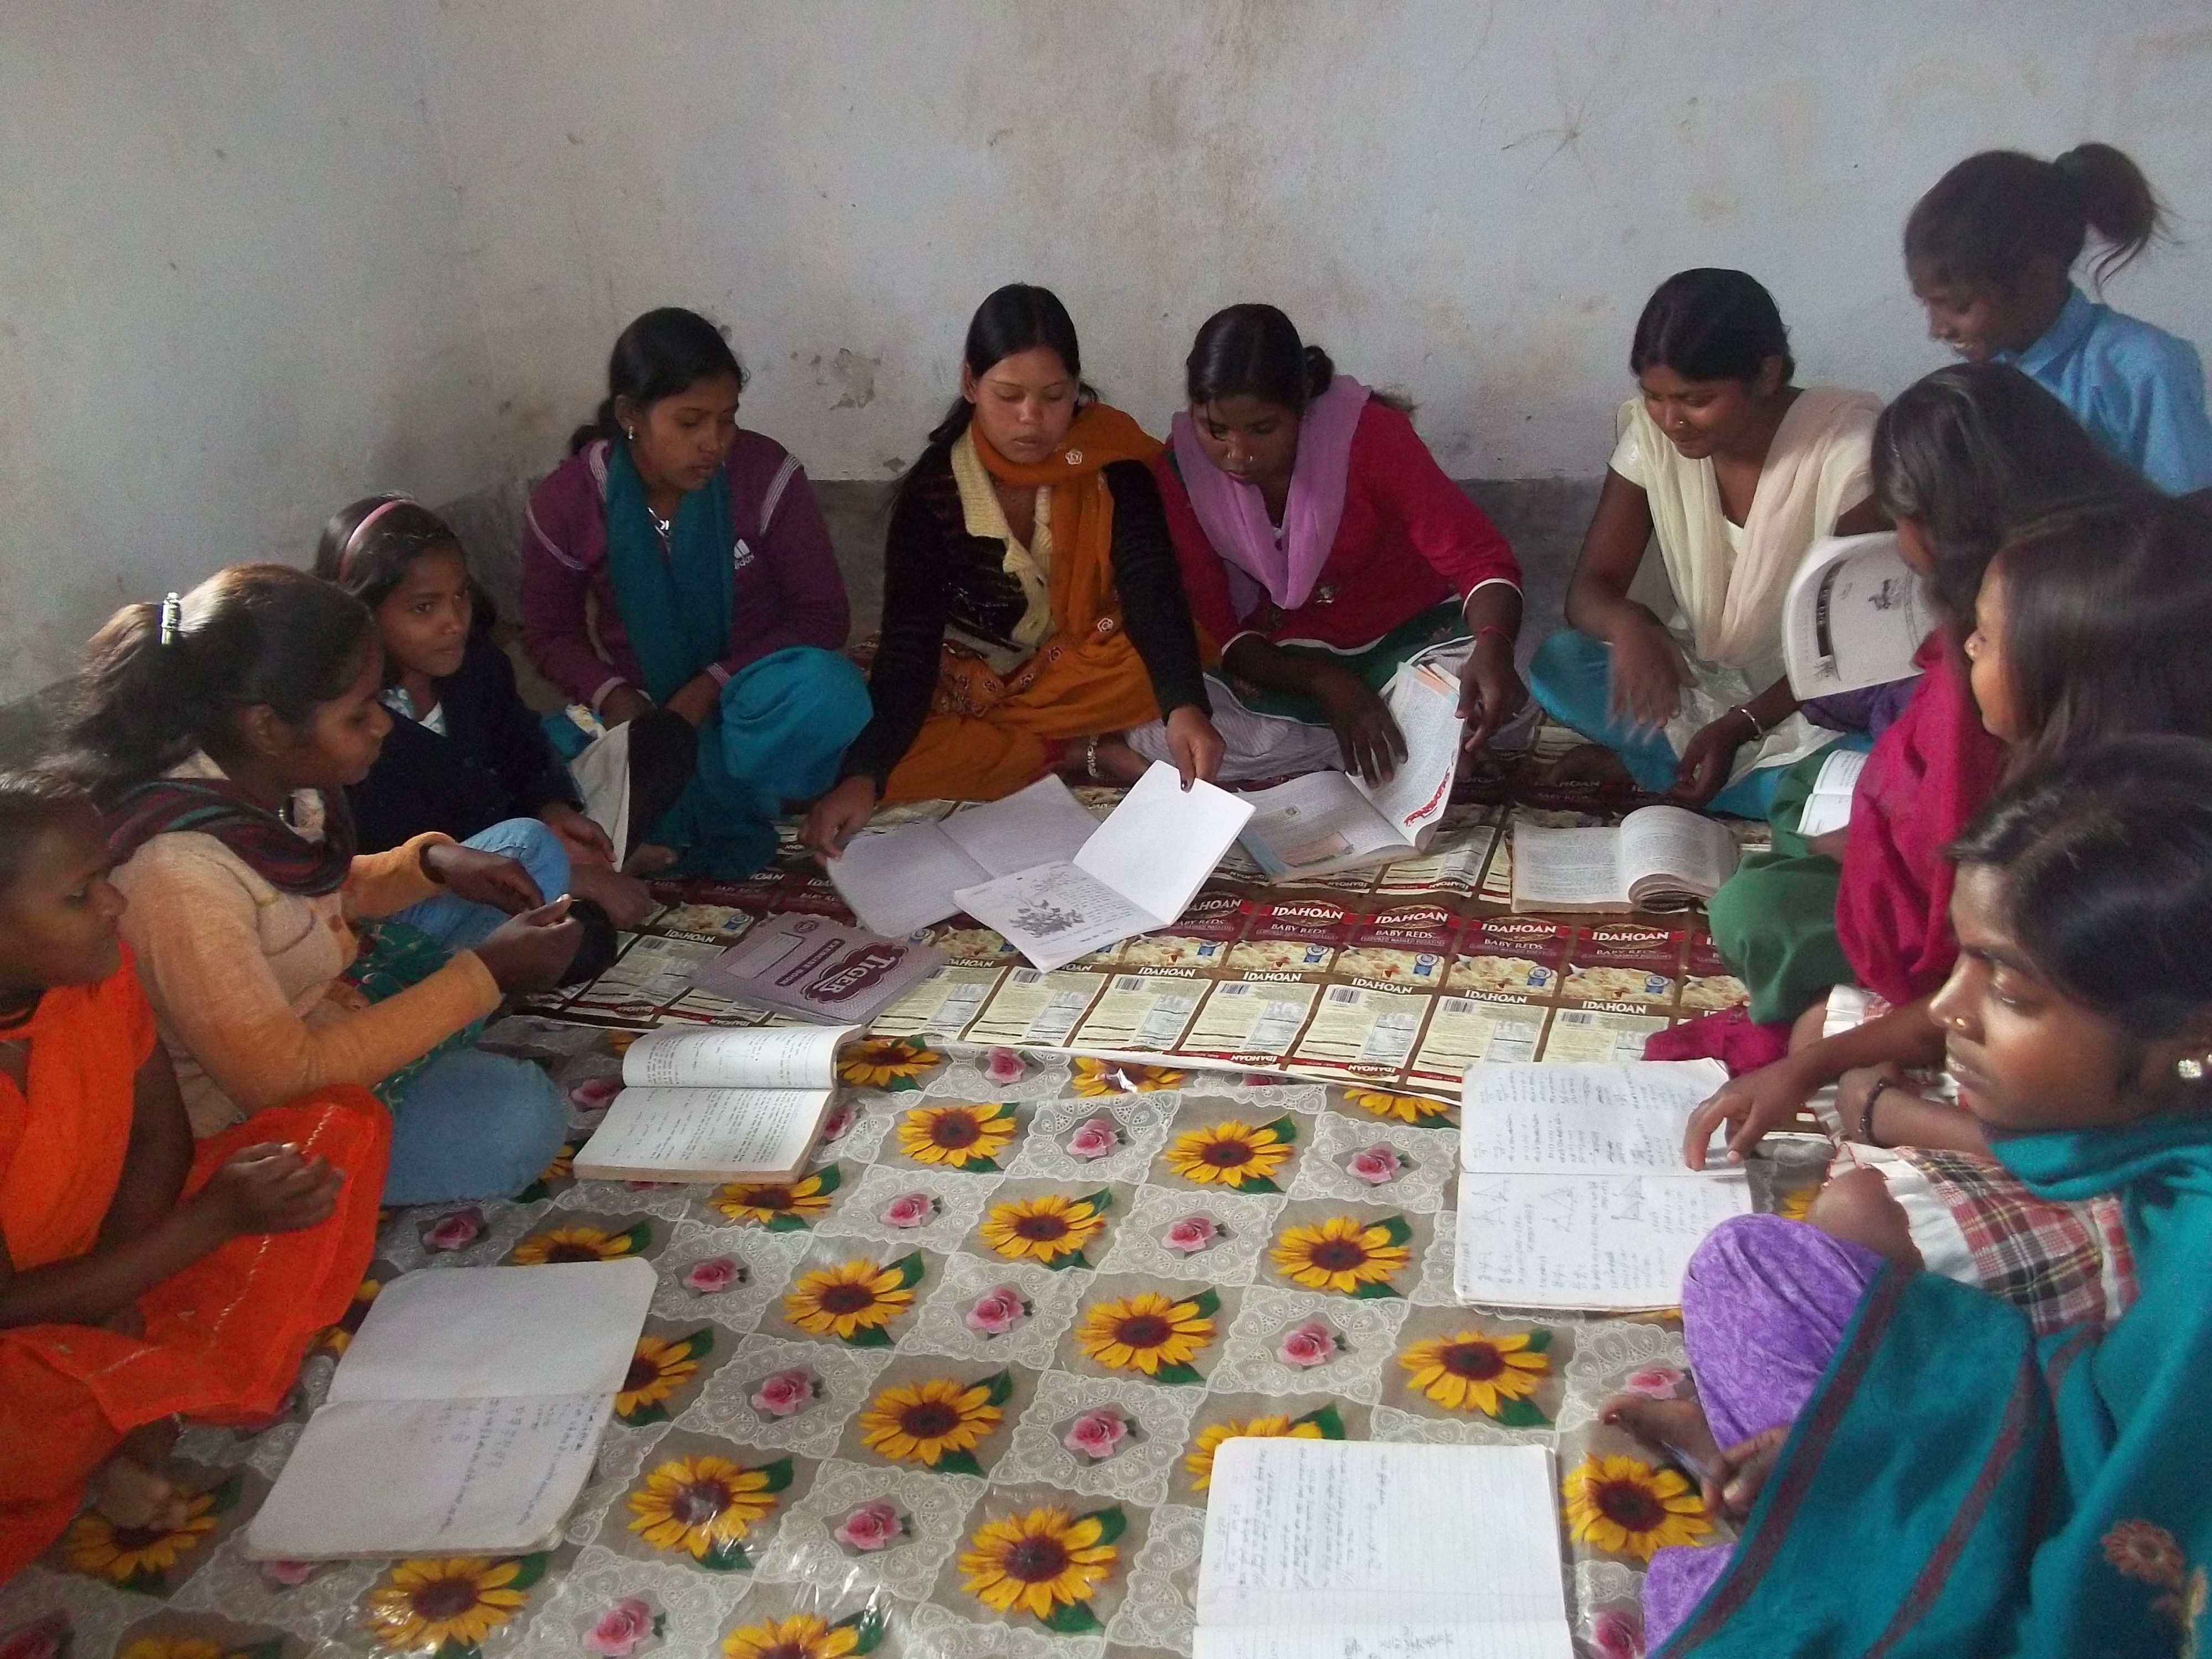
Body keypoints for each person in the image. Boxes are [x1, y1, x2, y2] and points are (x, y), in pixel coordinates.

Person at [1609, 735, 2212, 1657]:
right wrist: (1873, 1439)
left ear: (2186, 1031)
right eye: (1962, 966)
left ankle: (1790, 1512)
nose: (1949, 1015)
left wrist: (1896, 1505)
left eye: (2005, 986)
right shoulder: (2168, 1158)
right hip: (2063, 1445)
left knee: (1715, 1611)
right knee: (1750, 1262)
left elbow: (2122, 1587)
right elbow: (2104, 1396)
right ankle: (1801, 1483)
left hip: (2068, 1566)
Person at [1687, 493, 2212, 1168]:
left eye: (1985, 637)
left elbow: (2138, 1145)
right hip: (2071, 1084)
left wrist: (1902, 1118)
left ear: (2060, 673)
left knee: (1856, 1209)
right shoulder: (2056, 790)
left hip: (2118, 1145)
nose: (1961, 648)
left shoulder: (2141, 861)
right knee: (1821, 1037)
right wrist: (1813, 1067)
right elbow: (1964, 1001)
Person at [60, 566, 578, 1205]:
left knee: (526, 848)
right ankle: (434, 1045)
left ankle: (427, 1035)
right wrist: (485, 975)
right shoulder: (176, 876)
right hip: (255, 1117)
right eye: (359, 714)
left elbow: (320, 891)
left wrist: (434, 864)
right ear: (268, 728)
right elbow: (284, 1081)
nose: (383, 726)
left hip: (335, 985)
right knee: (520, 1119)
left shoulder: (269, 777)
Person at [0, 770, 384, 1579]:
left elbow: (161, 1145)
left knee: (330, 1131)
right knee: (24, 1418)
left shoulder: (99, 974)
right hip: (21, 1330)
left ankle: (124, 1405)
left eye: (106, 876)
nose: (113, 903)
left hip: (118, 1253)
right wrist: (205, 1227)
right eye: (80, 895)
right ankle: (119, 1426)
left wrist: (128, 1288)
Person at [1703, 364, 2143, 1026]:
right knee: (1802, 789)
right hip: (1943, 844)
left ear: (1937, 522)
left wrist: (1876, 844)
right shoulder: (2070, 571)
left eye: (1895, 516)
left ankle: (1854, 994)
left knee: (1751, 911)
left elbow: (1964, 836)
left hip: (1994, 907)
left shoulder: (2019, 637)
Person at [804, 284, 1224, 852]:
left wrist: (1185, 705)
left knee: (1153, 659)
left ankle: (1050, 743)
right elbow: (910, 644)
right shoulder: (936, 495)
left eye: (1053, 396)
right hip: (975, 672)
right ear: (971, 384)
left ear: (1077, 389)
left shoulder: (1111, 465)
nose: (1031, 419)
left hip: (1084, 666)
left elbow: (1149, 583)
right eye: (1008, 395)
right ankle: (1075, 751)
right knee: (855, 749)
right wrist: (866, 774)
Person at [520, 307, 869, 877]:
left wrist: (712, 685)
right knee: (537, 753)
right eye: (689, 423)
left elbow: (822, 616)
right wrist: (613, 696)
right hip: (638, 707)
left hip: (747, 699)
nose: (714, 444)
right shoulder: (569, 501)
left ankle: (659, 812)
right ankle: (715, 795)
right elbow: (548, 631)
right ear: (632, 415)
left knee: (831, 693)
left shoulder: (764, 474)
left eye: (726, 420)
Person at [1529, 269, 1886, 816]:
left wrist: (1739, 727)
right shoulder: (1652, 439)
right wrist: (1631, 626)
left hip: (1818, 699)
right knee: (1559, 665)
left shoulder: (1850, 452)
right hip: (1711, 680)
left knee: (1877, 760)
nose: (1671, 421)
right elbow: (1589, 591)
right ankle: (1765, 791)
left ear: (1765, 376)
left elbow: (1849, 647)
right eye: (1653, 397)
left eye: (1697, 399)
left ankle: (1673, 769)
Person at [1122, 303, 1525, 786]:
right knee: (1157, 729)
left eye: (1263, 429)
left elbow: (1479, 559)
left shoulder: (1370, 438)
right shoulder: (1182, 471)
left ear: (1303, 406)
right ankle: (1394, 751)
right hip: (1292, 664)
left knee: (1472, 694)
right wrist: (1331, 687)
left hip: (1406, 642)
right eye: (1215, 429)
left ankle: (1377, 747)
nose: (1238, 453)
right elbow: (1224, 629)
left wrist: (1494, 646)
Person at [316, 492, 654, 954]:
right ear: (364, 616)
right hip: (438, 890)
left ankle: (593, 865)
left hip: (520, 838)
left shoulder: (477, 664)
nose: (454, 621)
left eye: (459, 596)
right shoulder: (353, 723)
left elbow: (523, 748)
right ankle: (583, 878)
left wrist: (554, 808)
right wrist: (569, 873)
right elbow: (400, 857)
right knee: (582, 937)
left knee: (661, 743)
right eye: (423, 608)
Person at [1906, 143, 2212, 498]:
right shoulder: (1979, 384)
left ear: (2037, 276)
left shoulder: (2144, 368)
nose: (1937, 329)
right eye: (1927, 305)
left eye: (1958, 304)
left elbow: (2195, 519)